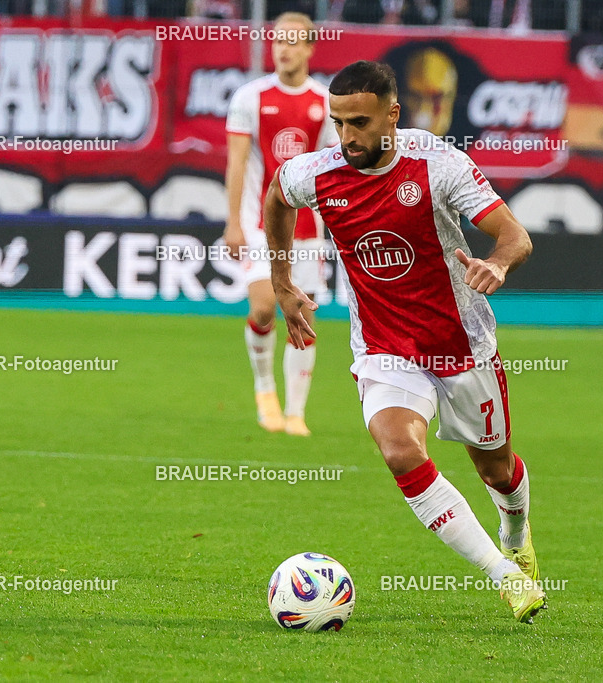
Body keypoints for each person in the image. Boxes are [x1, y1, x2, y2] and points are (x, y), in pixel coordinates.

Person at [261, 60, 546, 622]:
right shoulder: (316, 172)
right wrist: (282, 283)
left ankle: (517, 535)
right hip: (385, 348)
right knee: (399, 449)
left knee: (497, 471)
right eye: (337, 122)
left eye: (359, 123)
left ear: (393, 113)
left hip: (461, 345)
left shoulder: (438, 164)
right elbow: (275, 195)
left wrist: (497, 263)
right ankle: (506, 577)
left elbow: (515, 235)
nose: (346, 137)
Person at [224, 12, 337, 436]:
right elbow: (236, 162)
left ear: (310, 48)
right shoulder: (249, 97)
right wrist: (233, 221)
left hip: (308, 229)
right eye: (277, 41)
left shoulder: (326, 102)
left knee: (303, 319)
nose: (283, 49)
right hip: (259, 224)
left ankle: (295, 413)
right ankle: (264, 387)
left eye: (293, 41)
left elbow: (332, 170)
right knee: (264, 305)